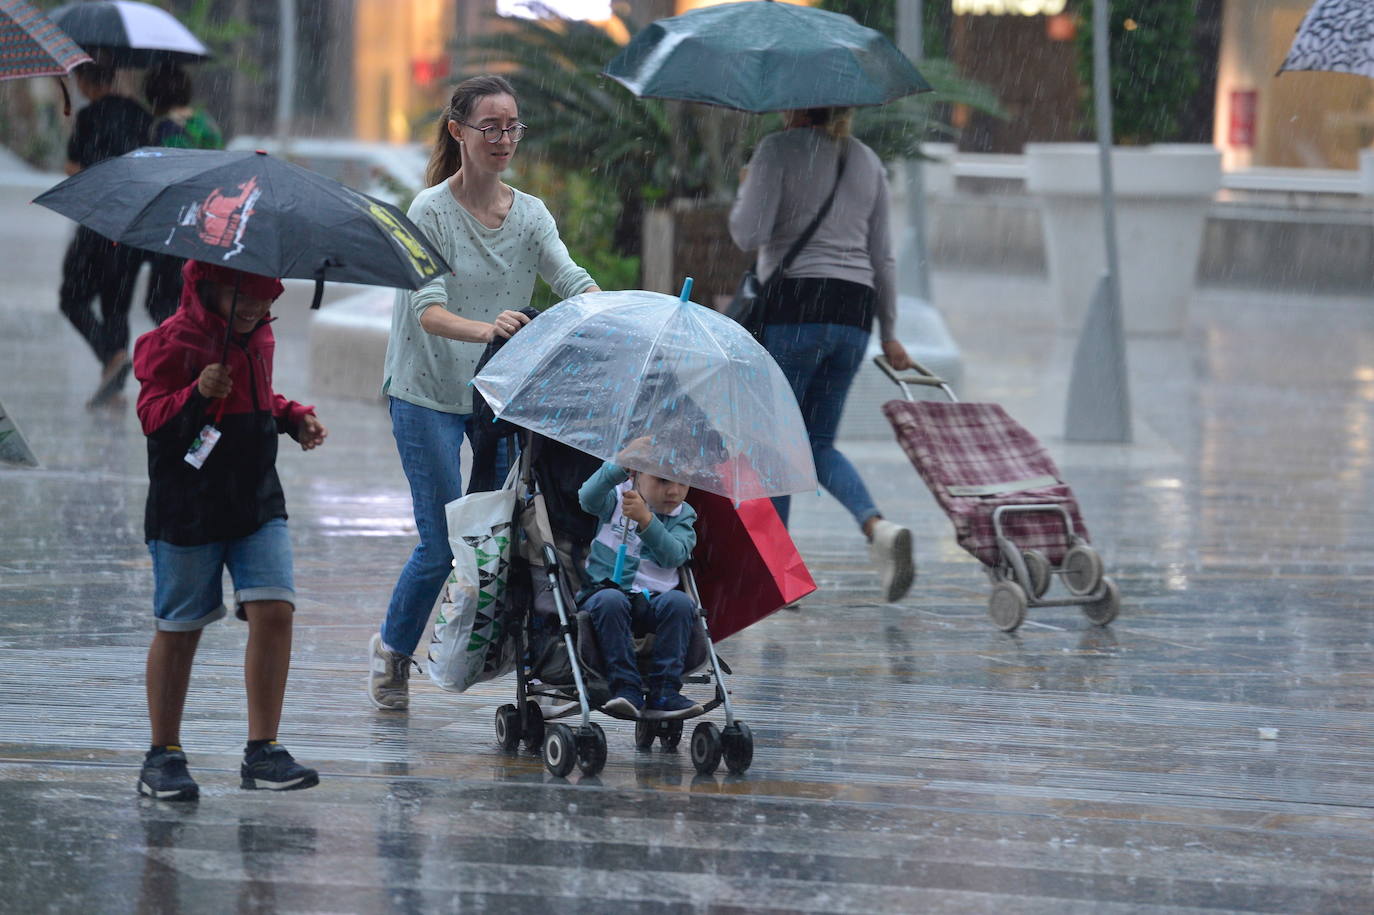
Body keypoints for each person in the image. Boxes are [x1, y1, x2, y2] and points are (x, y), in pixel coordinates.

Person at [369, 74, 600, 710]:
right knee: (441, 539)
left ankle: (494, 653)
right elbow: (428, 310)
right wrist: (489, 327)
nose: (504, 139)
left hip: (498, 397)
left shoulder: (529, 215)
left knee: (496, 535)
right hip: (425, 391)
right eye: (490, 126)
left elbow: (569, 275)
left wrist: (600, 309)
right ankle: (392, 651)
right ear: (458, 132)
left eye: (512, 127)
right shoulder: (429, 212)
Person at [132, 260, 328, 800]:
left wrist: (290, 417)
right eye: (242, 296)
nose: (255, 309)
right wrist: (196, 391)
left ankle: (262, 749)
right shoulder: (168, 342)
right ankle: (162, 754)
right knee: (181, 627)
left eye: (265, 300)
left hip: (255, 499)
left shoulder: (258, 336)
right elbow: (152, 419)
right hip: (187, 506)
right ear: (206, 287)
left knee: (274, 609)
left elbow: (258, 397)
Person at [729, 106, 917, 604]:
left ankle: (778, 577)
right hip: (854, 317)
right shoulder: (867, 160)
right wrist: (891, 333)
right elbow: (884, 257)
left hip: (795, 309)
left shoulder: (776, 150)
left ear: (792, 103)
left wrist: (750, 185)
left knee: (774, 445)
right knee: (817, 443)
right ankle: (876, 526)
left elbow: (748, 234)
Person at [60, 59, 153, 409]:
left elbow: (74, 168)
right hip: (131, 222)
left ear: (85, 80)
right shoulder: (141, 115)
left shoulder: (88, 117)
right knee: (116, 305)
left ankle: (110, 356)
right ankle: (112, 386)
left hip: (97, 219)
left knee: (72, 297)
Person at [577, 460, 701, 719]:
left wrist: (647, 520)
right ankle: (625, 687)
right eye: (663, 481)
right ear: (637, 474)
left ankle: (665, 689)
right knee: (611, 600)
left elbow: (675, 555)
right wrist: (620, 466)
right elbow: (587, 498)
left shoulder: (683, 515)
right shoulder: (619, 497)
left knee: (680, 604)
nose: (674, 492)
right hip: (605, 593)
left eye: (683, 482)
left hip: (654, 599)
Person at [141, 62, 224, 325]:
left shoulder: (166, 128)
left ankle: (186, 354)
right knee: (194, 298)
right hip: (210, 221)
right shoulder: (206, 123)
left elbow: (172, 176)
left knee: (162, 302)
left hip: (177, 226)